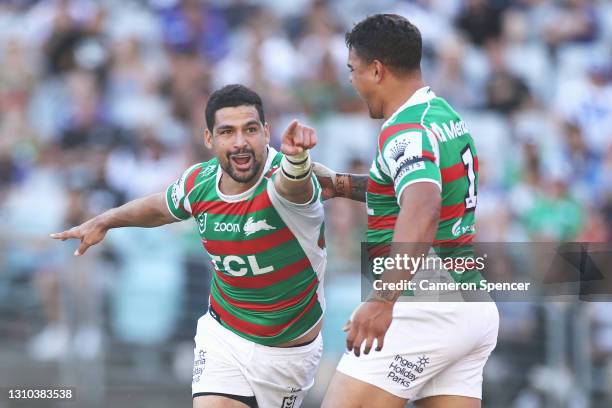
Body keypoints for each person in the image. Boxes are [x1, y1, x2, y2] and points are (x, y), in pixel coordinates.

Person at [52, 84, 330, 408]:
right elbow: (158, 208)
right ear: (209, 139)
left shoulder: (289, 179)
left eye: (250, 130)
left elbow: (293, 188)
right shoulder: (199, 182)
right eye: (228, 132)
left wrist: (297, 162)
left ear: (267, 133)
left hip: (285, 355)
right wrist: (104, 221)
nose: (240, 142)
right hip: (224, 335)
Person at [318, 14, 499, 408]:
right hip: (470, 301)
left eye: (354, 70)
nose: (352, 80)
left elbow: (423, 207)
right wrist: (344, 185)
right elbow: (421, 191)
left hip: (425, 301)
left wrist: (383, 298)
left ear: (377, 70)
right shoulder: (443, 114)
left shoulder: (405, 129)